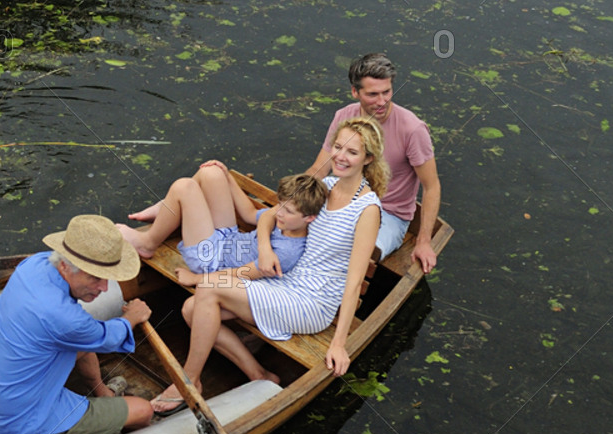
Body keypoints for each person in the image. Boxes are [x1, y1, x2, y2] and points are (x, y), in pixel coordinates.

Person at [151, 116, 388, 411]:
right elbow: (267, 218)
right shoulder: (324, 185)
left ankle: (189, 381)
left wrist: (339, 343)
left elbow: (353, 283)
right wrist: (264, 248)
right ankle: (258, 374)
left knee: (208, 291)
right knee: (192, 308)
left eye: (352, 152)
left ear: (368, 158)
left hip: (312, 303)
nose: (340, 156)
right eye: (338, 147)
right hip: (284, 281)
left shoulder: (367, 210)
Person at [0, 215, 155, 434]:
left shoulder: (33, 265)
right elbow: (108, 336)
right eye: (95, 277)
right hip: (22, 424)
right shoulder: (65, 319)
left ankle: (102, 394)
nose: (105, 287)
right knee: (144, 410)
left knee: (81, 342)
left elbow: (82, 334)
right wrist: (132, 317)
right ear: (64, 266)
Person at [304, 52, 441, 273]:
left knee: (357, 254)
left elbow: (431, 186)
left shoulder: (412, 129)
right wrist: (296, 197)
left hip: (389, 214)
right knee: (296, 226)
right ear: (355, 92)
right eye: (373, 94)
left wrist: (424, 241)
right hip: (343, 198)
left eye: (387, 92)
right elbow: (319, 168)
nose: (382, 101)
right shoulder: (343, 116)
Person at [119, 163, 325, 287]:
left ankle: (148, 243)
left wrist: (197, 279)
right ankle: (167, 207)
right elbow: (251, 213)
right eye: (279, 205)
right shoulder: (285, 220)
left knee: (184, 187)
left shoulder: (286, 253)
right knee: (212, 172)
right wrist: (227, 175)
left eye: (288, 211)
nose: (278, 212)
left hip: (211, 259)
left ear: (310, 218)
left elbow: (241, 274)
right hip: (228, 238)